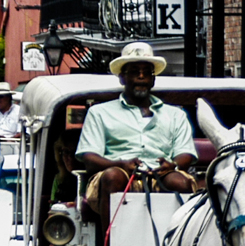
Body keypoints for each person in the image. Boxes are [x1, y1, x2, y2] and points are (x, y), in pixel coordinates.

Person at [76, 42, 197, 221]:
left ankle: (179, 244)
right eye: (134, 71)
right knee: (113, 176)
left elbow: (185, 153)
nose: (141, 77)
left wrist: (173, 165)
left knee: (181, 182)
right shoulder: (99, 112)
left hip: (161, 174)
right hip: (116, 174)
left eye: (146, 72)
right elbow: (89, 157)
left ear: (153, 79)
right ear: (122, 77)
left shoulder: (176, 114)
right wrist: (120, 164)